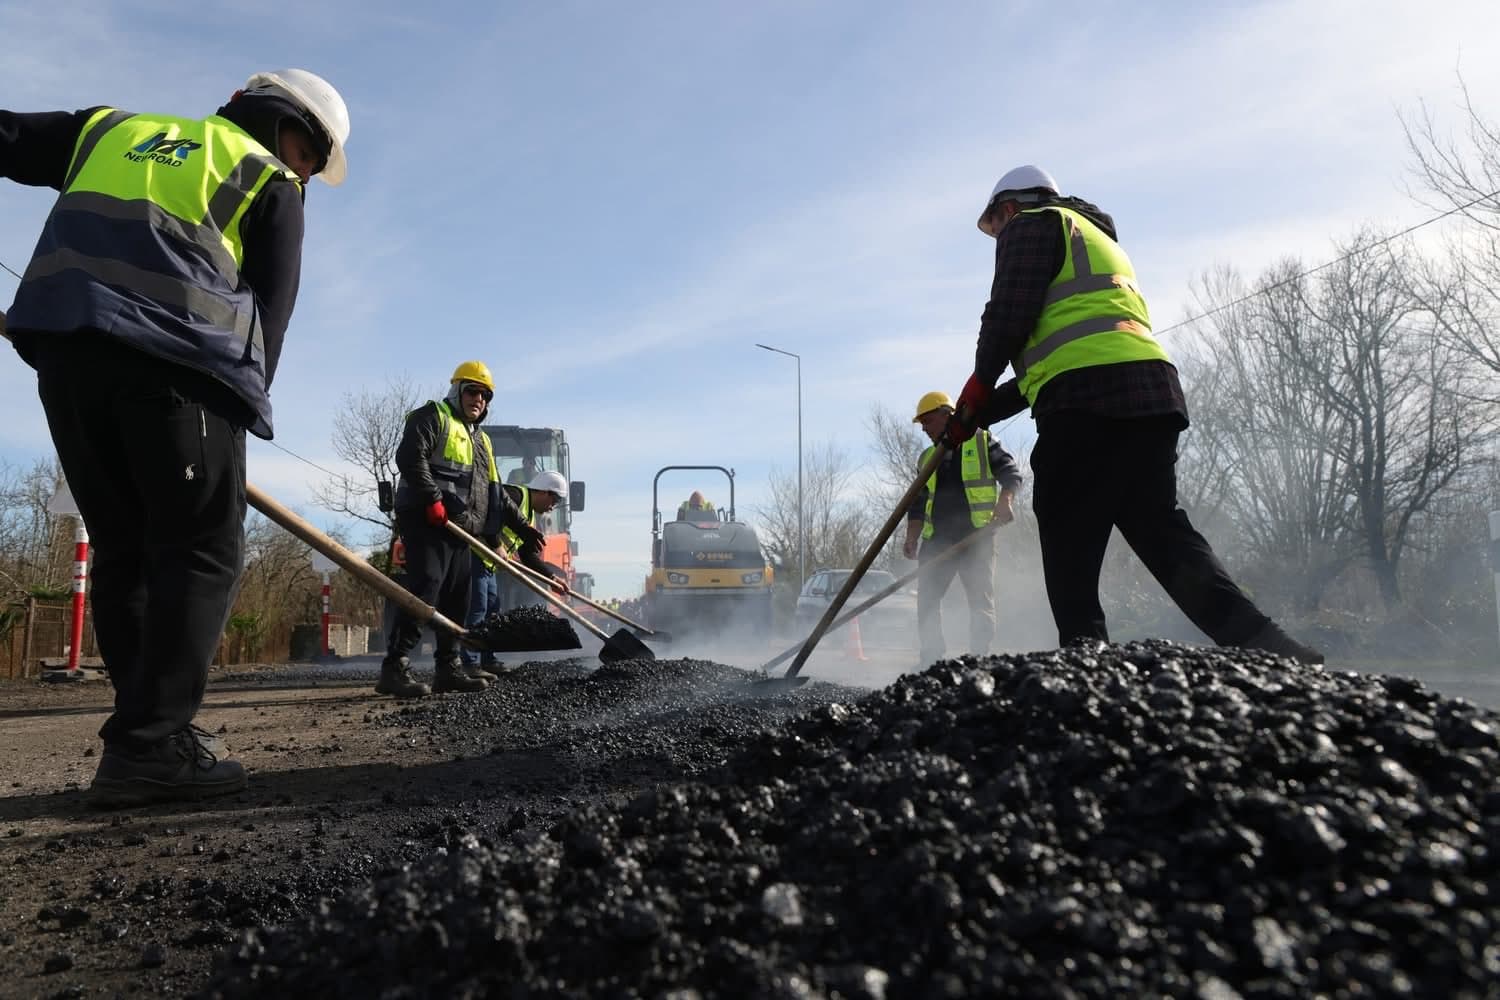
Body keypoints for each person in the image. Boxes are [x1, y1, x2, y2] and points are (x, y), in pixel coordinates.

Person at [1, 69, 351, 805]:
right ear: (293, 130)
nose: (307, 177)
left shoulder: (110, 130)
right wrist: (238, 412)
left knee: (125, 550)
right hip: (181, 370)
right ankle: (151, 744)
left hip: (69, 359)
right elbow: (267, 318)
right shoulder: (268, 181)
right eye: (313, 162)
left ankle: (150, 731)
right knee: (199, 550)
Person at [947, 164, 1324, 664]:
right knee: (1164, 536)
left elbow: (1008, 314)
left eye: (995, 224)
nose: (998, 236)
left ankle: (1088, 661)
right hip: (1148, 394)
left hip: (1084, 402)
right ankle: (1270, 647)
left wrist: (977, 384)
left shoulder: (1033, 222)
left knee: (1066, 530)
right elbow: (1060, 354)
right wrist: (981, 413)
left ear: (1010, 206)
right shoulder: (1098, 241)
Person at [378, 361, 544, 698]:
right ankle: (394, 668)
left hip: (459, 528)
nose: (478, 399)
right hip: (426, 519)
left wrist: (523, 526)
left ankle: (448, 668)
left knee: (459, 597)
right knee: (426, 587)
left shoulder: (482, 441)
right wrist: (433, 499)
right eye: (472, 390)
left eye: (485, 395)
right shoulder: (432, 416)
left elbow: (494, 493)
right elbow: (410, 457)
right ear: (456, 390)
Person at [902, 390, 1023, 665]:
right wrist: (912, 537)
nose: (924, 430)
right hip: (936, 541)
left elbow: (1011, 473)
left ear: (947, 416)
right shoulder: (926, 458)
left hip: (977, 537)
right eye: (921, 425)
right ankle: (931, 659)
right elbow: (918, 502)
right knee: (927, 602)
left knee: (980, 601)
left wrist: (1005, 501)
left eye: (928, 422)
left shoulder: (982, 441)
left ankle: (978, 659)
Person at [491, 470, 570, 615]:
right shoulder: (515, 495)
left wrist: (551, 578)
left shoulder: (530, 516)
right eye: (554, 501)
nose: (552, 508)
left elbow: (526, 554)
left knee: (492, 610)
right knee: (478, 610)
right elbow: (489, 513)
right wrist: (496, 544)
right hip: (476, 557)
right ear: (545, 492)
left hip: (491, 566)